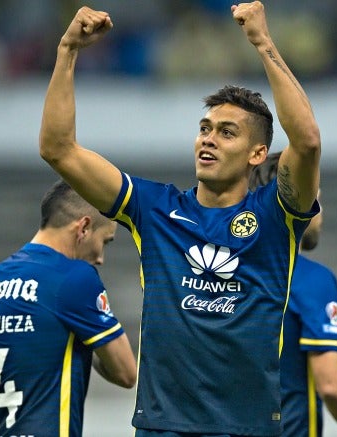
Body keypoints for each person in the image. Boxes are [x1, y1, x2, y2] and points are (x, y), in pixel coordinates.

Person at [39, 3, 320, 435]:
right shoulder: (153, 209)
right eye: (205, 128)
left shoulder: (275, 215)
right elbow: (58, 149)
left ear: (257, 154)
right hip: (162, 428)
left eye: (227, 132)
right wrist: (67, 50)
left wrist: (263, 43)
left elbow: (307, 141)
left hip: (247, 429)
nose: (208, 139)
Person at [0, 179, 137, 437]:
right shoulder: (73, 277)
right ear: (83, 227)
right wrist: (89, 336)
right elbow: (126, 373)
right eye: (105, 242)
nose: (100, 258)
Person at [251, 152, 337, 437]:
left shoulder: (225, 275)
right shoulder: (310, 280)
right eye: (316, 197)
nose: (321, 210)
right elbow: (333, 386)